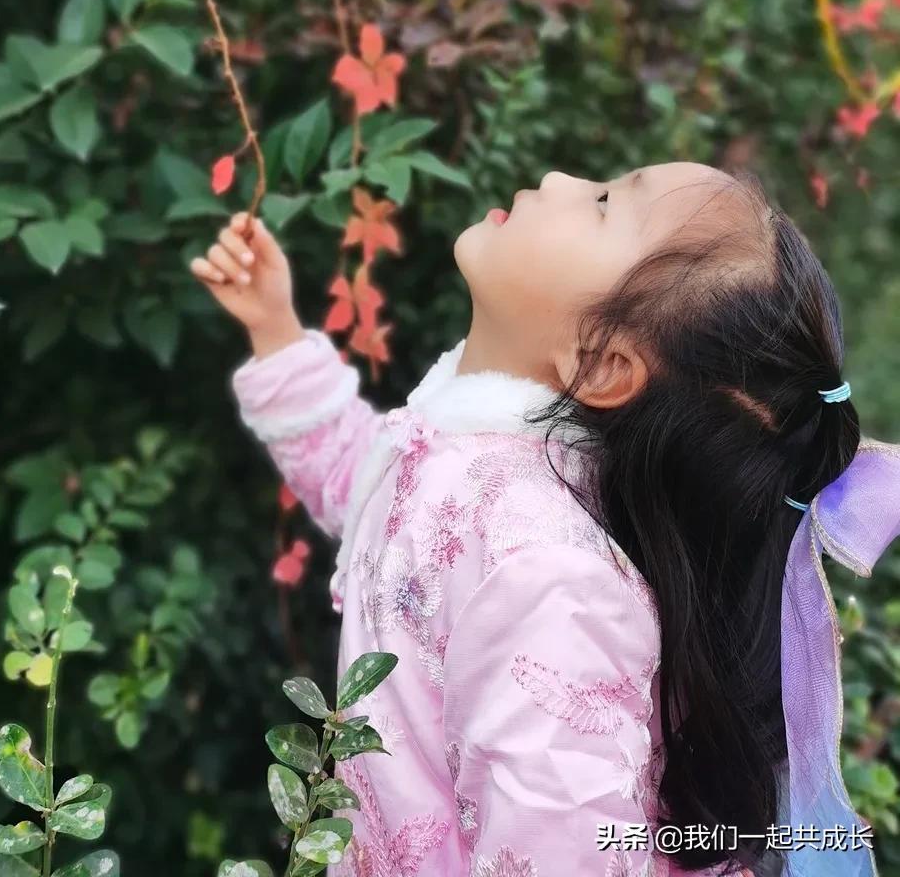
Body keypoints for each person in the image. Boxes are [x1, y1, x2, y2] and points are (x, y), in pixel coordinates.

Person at [191, 162, 895, 876]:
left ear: (601, 364)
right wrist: (276, 331)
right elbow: (367, 487)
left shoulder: (547, 576)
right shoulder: (470, 444)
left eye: (600, 204)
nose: (558, 177)